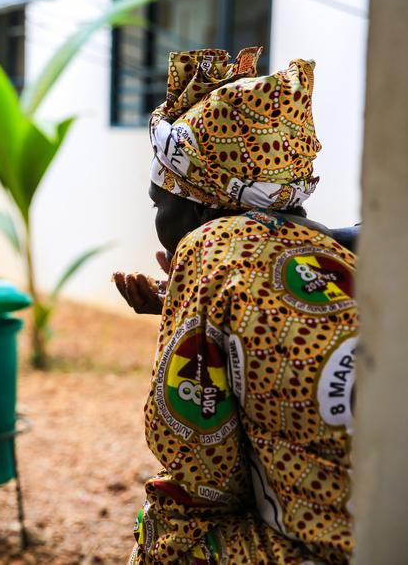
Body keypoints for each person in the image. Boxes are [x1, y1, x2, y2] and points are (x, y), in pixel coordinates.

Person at [113, 48, 356, 564]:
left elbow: (202, 465)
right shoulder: (336, 251)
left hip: (327, 547)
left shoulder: (212, 251)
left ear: (199, 203)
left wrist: (196, 310)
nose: (158, 219)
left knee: (169, 530)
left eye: (160, 202)